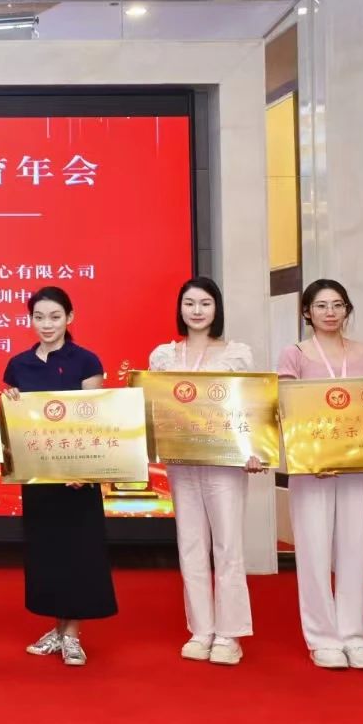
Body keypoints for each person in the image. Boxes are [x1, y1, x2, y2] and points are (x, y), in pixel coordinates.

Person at [146, 276, 263, 666]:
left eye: (205, 303)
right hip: (181, 463)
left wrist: (254, 450)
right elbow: (154, 406)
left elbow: (250, 407)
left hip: (224, 463)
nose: (196, 311)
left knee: (228, 546)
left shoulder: (236, 354)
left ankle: (229, 634)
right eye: (189, 303)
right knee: (191, 545)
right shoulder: (164, 356)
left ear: (217, 309)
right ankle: (201, 629)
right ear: (180, 309)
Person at [1, 286, 115, 666]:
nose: (46, 324)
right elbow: (15, 424)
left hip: (77, 478)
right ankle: (58, 628)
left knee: (79, 552)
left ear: (70, 317)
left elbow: (95, 419)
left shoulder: (86, 361)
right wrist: (10, 404)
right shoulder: (18, 365)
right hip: (38, 477)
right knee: (47, 553)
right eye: (39, 317)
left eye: (54, 316)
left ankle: (72, 634)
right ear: (30, 320)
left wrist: (85, 468)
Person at [277, 278, 363, 671]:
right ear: (307, 312)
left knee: (356, 548)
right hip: (312, 466)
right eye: (321, 305)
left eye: (338, 305)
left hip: (358, 462)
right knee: (314, 549)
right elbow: (288, 410)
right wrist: (312, 456)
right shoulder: (295, 354)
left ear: (347, 309)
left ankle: (356, 637)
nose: (330, 312)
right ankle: (322, 638)